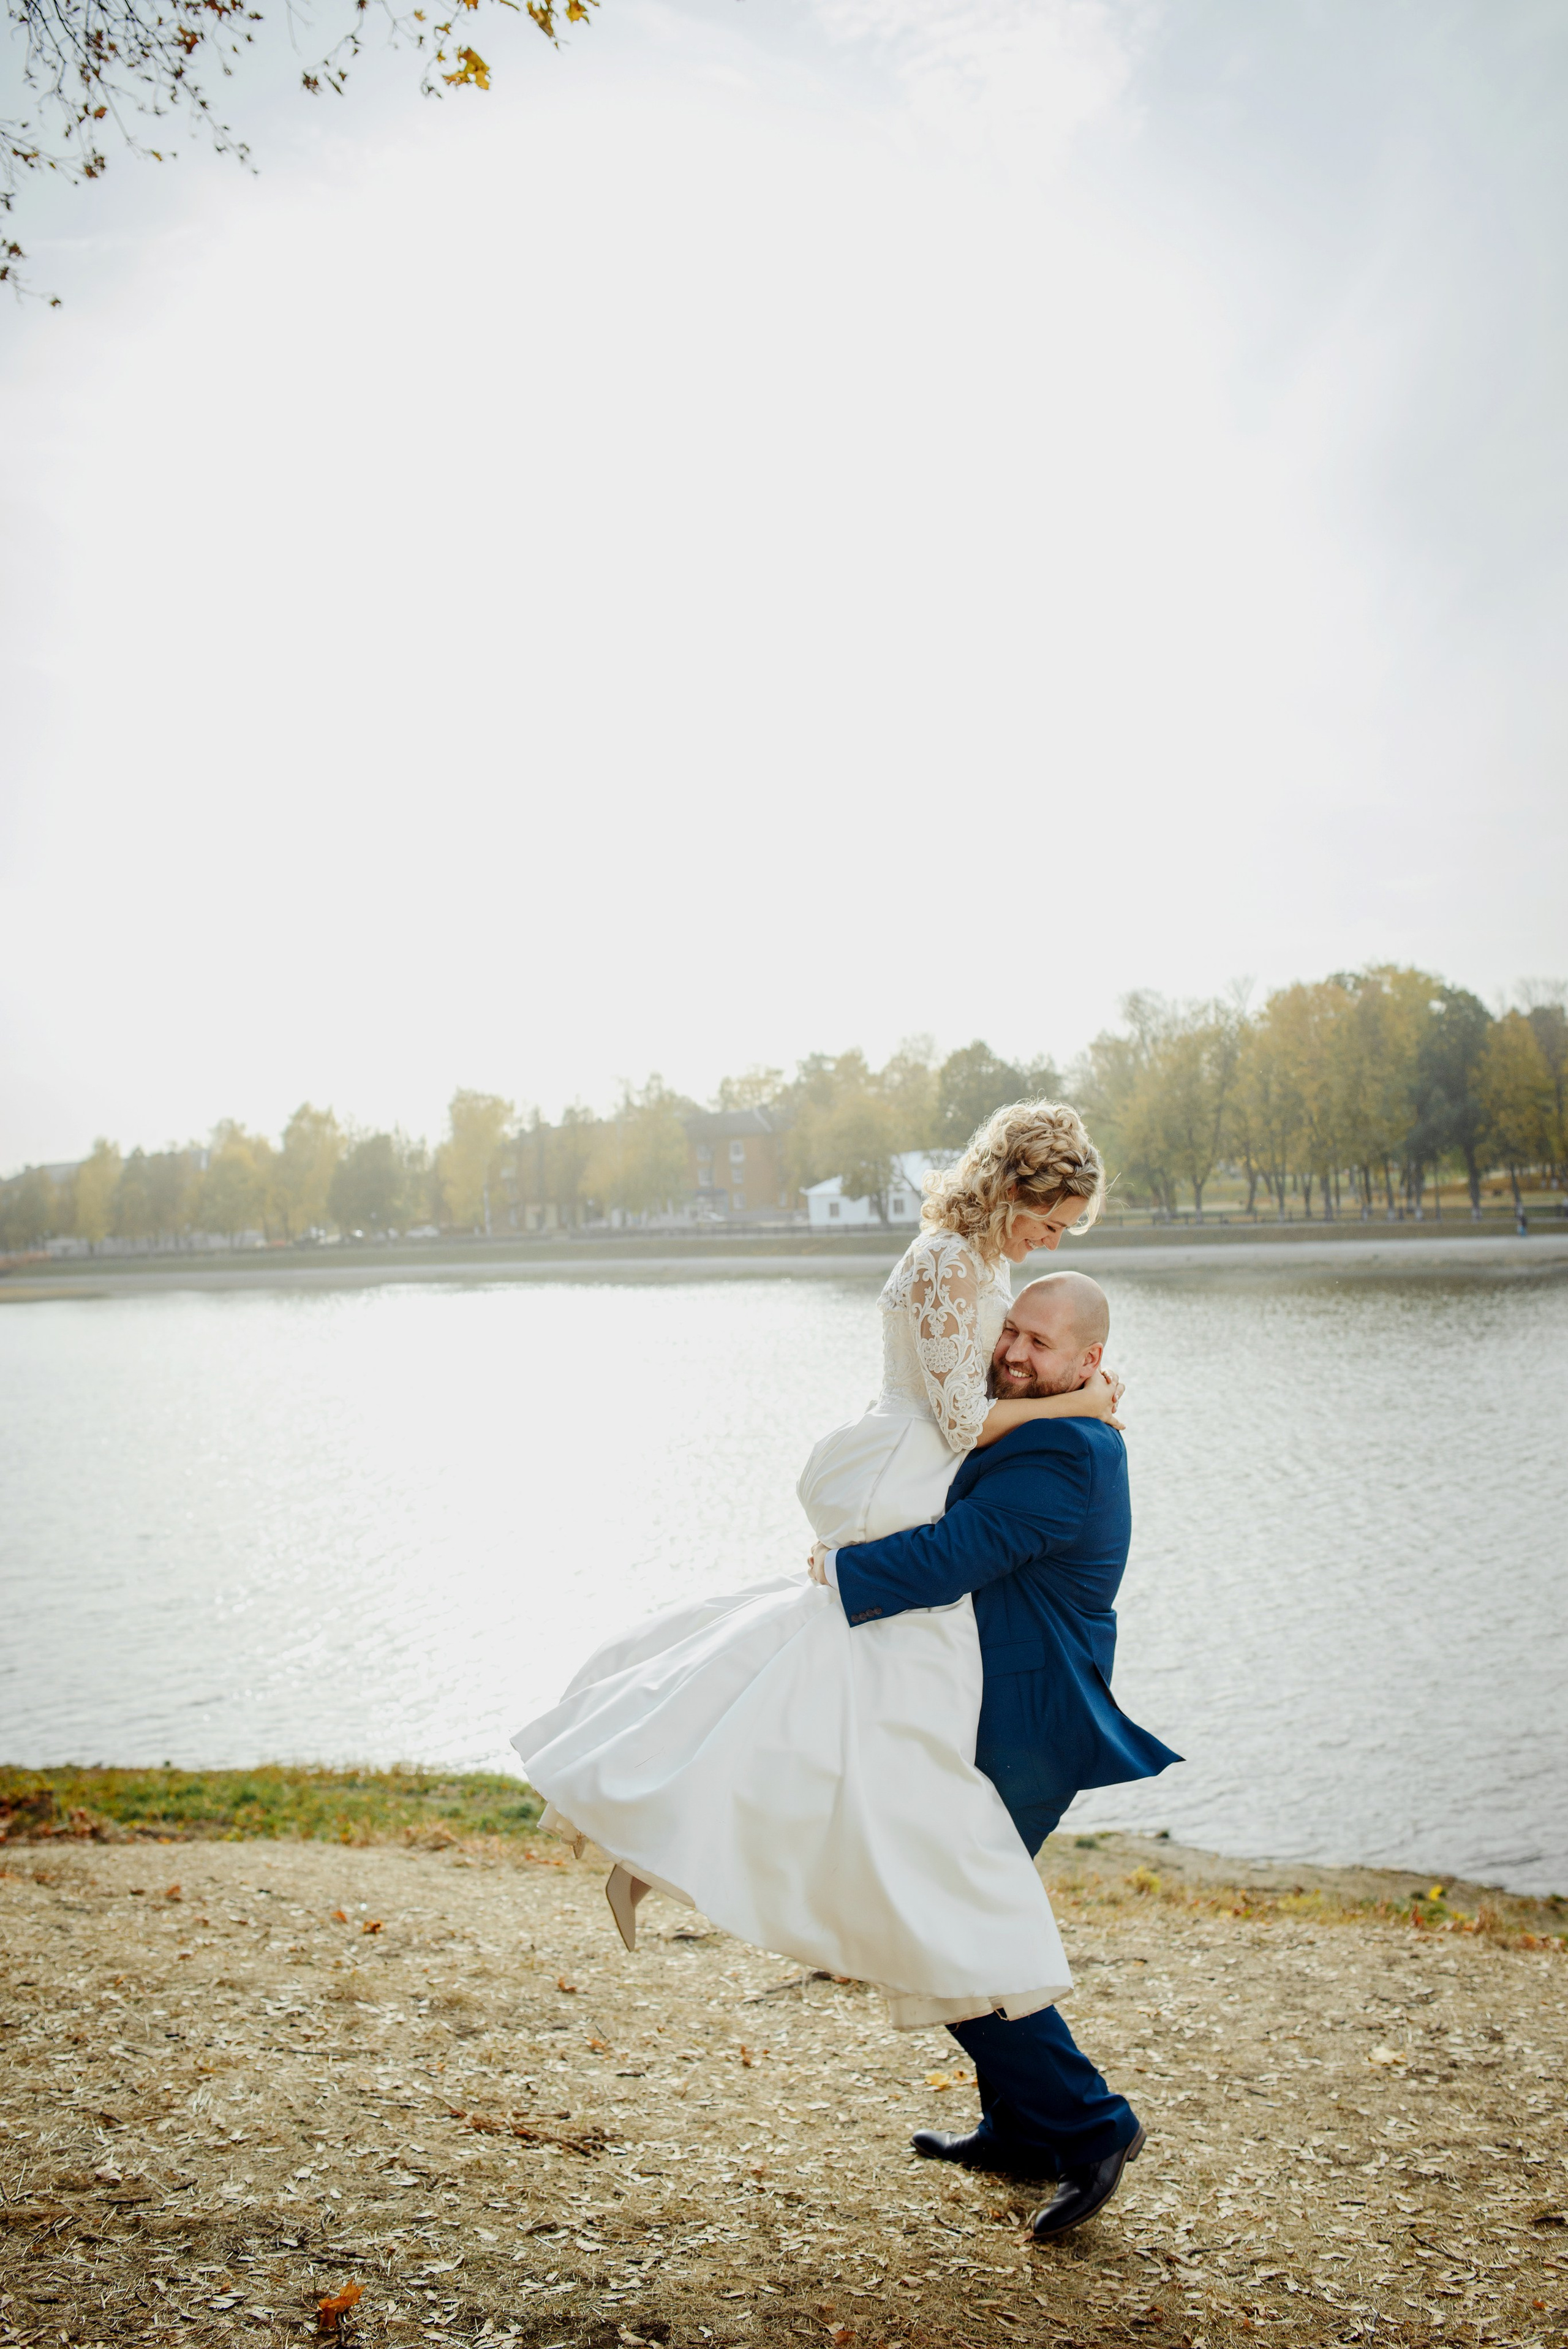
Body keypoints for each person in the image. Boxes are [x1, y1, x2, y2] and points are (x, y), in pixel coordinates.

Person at [513, 1101, 1134, 2029]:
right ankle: (661, 1828)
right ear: (1013, 1194)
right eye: (1049, 1222)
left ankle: (663, 1842)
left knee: (801, 1682)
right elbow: (960, 1423)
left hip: (925, 1466)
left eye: (1063, 1231)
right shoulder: (947, 1263)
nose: (1050, 1241)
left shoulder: (981, 1261)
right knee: (833, 1690)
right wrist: (1081, 1401)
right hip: (908, 1469)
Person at [813, 1267, 1179, 2239]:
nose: (1014, 1353)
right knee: (954, 1909)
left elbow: (953, 1556)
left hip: (1024, 1723)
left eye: (1041, 1343)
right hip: (987, 1705)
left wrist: (837, 1570)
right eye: (1009, 1331)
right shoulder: (1051, 1423)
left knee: (945, 1920)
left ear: (1089, 1361)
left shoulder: (1062, 1450)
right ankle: (1020, 2128)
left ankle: (1090, 2126)